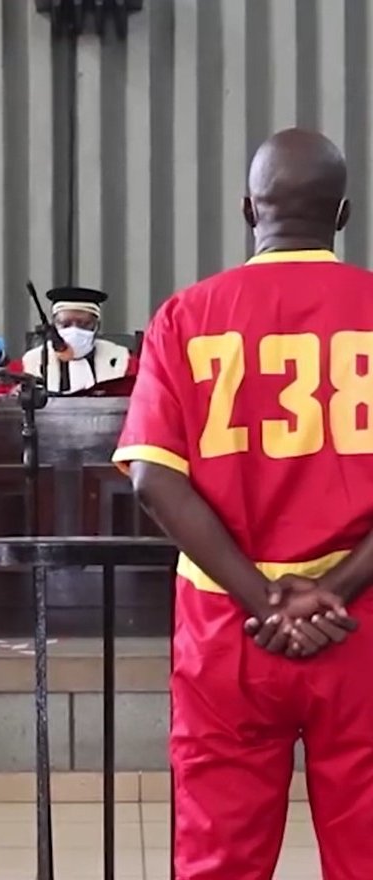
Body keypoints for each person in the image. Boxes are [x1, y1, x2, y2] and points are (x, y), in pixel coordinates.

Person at [113, 129, 373, 880]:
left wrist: (264, 600)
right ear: (344, 214)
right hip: (360, 626)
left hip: (229, 628)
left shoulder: (187, 317)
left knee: (219, 855)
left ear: (246, 209)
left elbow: (154, 481)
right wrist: (330, 594)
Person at [18, 287, 136, 396]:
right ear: (54, 326)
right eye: (65, 324)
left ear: (97, 326)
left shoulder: (123, 360)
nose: (74, 330)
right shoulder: (31, 363)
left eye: (84, 324)